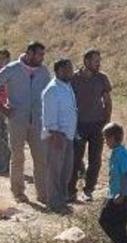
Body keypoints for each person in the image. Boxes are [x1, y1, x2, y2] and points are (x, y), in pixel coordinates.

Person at [0, 41, 50, 203]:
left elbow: (49, 94)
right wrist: (4, 108)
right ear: (29, 53)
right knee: (18, 156)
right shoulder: (12, 69)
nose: (42, 58)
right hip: (17, 120)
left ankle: (43, 194)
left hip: (38, 120)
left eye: (43, 54)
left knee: (41, 158)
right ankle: (18, 192)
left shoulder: (43, 71)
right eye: (39, 54)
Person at [69, 48, 112, 202]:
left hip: (97, 125)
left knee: (95, 159)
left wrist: (106, 123)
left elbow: (107, 102)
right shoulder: (73, 78)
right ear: (86, 61)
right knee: (75, 159)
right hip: (78, 124)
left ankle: (88, 190)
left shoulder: (102, 78)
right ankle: (71, 191)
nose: (98, 64)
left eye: (99, 61)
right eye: (96, 61)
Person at [41, 58, 77, 213]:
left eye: (71, 69)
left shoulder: (67, 86)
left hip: (68, 135)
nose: (71, 72)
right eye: (67, 69)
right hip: (56, 136)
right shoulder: (52, 89)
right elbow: (49, 115)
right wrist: (55, 134)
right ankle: (54, 203)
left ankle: (62, 200)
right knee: (54, 171)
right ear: (58, 71)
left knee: (65, 171)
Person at [98, 123, 127, 243]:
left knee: (105, 220)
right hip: (118, 193)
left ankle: (126, 242)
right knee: (118, 223)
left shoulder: (122, 154)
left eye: (106, 138)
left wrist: (122, 194)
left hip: (121, 195)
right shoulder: (120, 153)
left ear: (113, 137)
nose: (105, 142)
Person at [0, 49, 12, 174]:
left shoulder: (11, 72)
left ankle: (4, 165)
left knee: (3, 135)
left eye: (4, 58)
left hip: (6, 107)